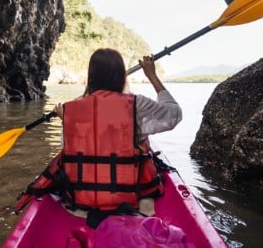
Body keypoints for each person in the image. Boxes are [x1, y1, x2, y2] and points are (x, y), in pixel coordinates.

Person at [15, 48, 182, 225]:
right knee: (142, 143)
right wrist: (152, 76)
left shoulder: (72, 109)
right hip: (128, 204)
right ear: (120, 77)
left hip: (80, 207)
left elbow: (68, 147)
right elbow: (174, 115)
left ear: (91, 76)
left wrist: (67, 120)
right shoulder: (136, 104)